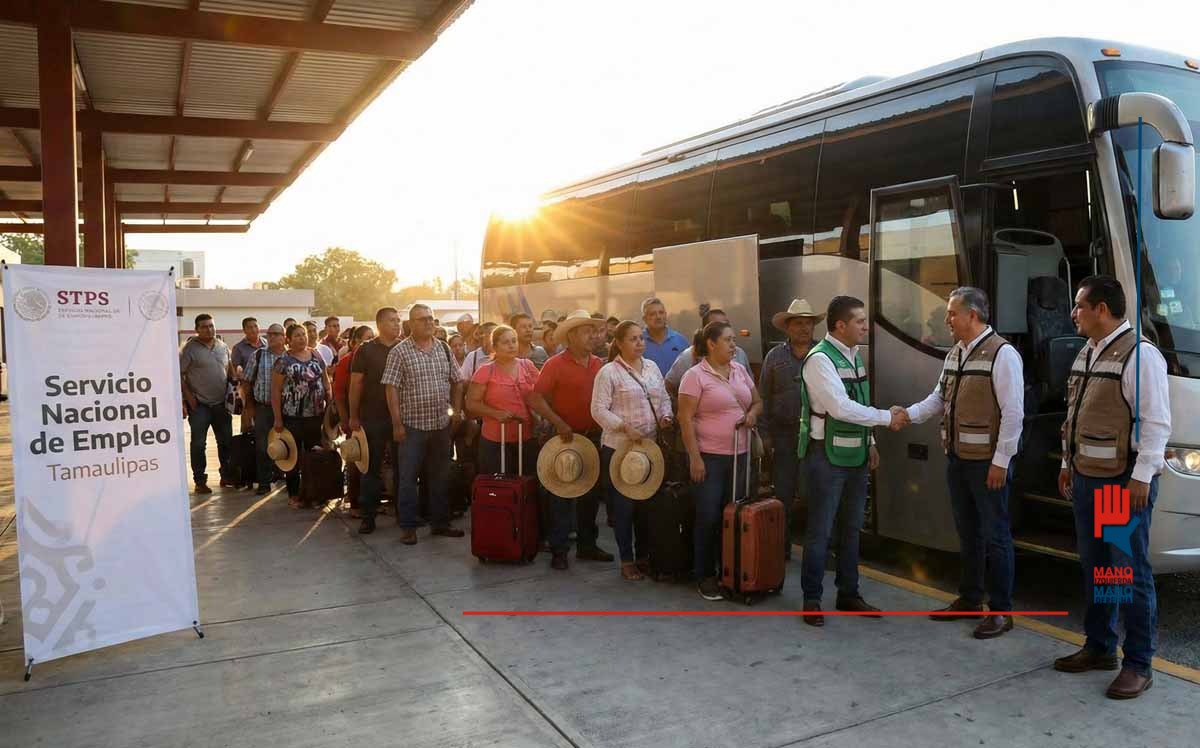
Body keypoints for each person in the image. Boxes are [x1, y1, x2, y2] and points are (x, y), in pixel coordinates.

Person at [1052, 275, 1170, 700]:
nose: (1073, 314)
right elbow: (1075, 413)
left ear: (1102, 309)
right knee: (1100, 566)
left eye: (1079, 306)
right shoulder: (1088, 351)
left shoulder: (1140, 355)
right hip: (1087, 477)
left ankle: (1138, 663)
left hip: (1120, 482)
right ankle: (1100, 646)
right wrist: (1067, 463)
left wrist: (1142, 476)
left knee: (1128, 571)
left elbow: (1156, 421)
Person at [898, 288, 1023, 639]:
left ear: (973, 315)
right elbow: (938, 398)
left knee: (996, 537)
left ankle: (1001, 612)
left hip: (987, 464)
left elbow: (1014, 414)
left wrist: (1001, 461)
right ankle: (970, 599)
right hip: (958, 460)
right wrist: (907, 415)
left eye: (952, 313)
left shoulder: (1003, 354)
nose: (947, 319)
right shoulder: (956, 352)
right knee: (969, 533)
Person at [799, 296, 901, 626]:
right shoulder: (819, 360)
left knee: (852, 529)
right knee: (821, 530)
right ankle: (812, 599)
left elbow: (861, 399)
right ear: (840, 325)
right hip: (826, 457)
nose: (865, 326)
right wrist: (886, 418)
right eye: (859, 321)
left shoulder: (854, 355)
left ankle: (848, 593)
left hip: (855, 455)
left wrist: (870, 442)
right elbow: (840, 407)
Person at [677, 320, 764, 601]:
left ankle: (732, 571)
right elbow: (685, 419)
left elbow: (757, 402)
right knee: (708, 517)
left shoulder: (739, 370)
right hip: (710, 458)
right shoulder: (694, 376)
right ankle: (705, 575)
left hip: (741, 456)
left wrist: (752, 414)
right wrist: (695, 458)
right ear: (711, 344)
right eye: (728, 340)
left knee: (734, 516)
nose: (733, 345)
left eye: (734, 339)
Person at [526, 310, 615, 569]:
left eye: (593, 331)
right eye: (587, 332)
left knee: (590, 495)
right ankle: (559, 549)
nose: (593, 336)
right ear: (572, 336)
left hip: (593, 437)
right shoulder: (555, 364)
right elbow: (535, 398)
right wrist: (558, 422)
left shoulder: (599, 364)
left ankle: (587, 545)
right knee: (561, 495)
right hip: (564, 438)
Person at [591, 320, 673, 581]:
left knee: (647, 507)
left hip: (649, 449)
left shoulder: (652, 367)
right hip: (620, 449)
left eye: (641, 338)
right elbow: (598, 410)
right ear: (619, 343)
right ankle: (627, 560)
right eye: (633, 339)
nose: (639, 343)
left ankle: (643, 556)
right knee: (624, 508)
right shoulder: (609, 372)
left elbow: (663, 398)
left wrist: (666, 416)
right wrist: (624, 427)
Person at [382, 304, 466, 545]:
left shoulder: (444, 348)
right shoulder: (399, 351)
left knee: (440, 476)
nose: (429, 322)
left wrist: (456, 411)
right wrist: (397, 424)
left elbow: (458, 381)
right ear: (411, 324)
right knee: (408, 479)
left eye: (431, 318)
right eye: (423, 319)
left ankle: (440, 523)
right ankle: (408, 527)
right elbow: (391, 389)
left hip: (440, 425)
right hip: (412, 427)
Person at [758, 299, 823, 560]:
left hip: (816, 436)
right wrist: (764, 435)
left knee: (814, 494)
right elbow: (763, 397)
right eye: (798, 323)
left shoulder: (824, 354)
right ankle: (781, 549)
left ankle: (816, 551)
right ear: (788, 327)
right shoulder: (774, 357)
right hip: (783, 436)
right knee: (783, 495)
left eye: (808, 323)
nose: (804, 328)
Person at [348, 307, 403, 534]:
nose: (397, 323)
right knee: (371, 470)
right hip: (373, 418)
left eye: (398, 320)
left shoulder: (405, 347)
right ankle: (368, 517)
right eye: (392, 320)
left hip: (401, 418)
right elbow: (356, 384)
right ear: (380, 324)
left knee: (403, 468)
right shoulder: (366, 350)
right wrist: (353, 416)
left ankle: (404, 514)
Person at [271, 324, 332, 508]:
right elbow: (275, 391)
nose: (302, 338)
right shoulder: (283, 361)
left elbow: (325, 380)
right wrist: (278, 418)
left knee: (315, 454)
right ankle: (294, 495)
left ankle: (314, 494)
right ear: (288, 339)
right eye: (297, 335)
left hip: (316, 415)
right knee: (293, 456)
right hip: (292, 417)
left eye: (303, 335)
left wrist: (329, 402)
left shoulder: (316, 355)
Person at [467, 325, 540, 477]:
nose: (511, 345)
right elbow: (471, 403)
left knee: (527, 482)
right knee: (500, 485)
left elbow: (540, 395)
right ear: (494, 346)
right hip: (495, 440)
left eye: (514, 341)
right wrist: (496, 413)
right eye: (506, 342)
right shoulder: (485, 371)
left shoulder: (527, 365)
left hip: (526, 437)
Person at [180, 313, 235, 493]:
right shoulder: (189, 349)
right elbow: (180, 374)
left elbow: (229, 370)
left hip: (222, 405)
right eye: (204, 327)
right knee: (198, 444)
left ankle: (226, 476)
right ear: (196, 329)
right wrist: (189, 398)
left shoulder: (223, 346)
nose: (209, 329)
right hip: (200, 406)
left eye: (211, 325)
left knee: (225, 442)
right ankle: (200, 481)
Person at [241, 323, 288, 495]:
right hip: (263, 408)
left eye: (276, 334)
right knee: (262, 446)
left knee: (287, 444)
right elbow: (246, 382)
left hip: (287, 410)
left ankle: (286, 478)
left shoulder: (290, 356)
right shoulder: (259, 355)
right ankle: (264, 482)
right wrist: (249, 407)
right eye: (269, 334)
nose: (272, 337)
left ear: (284, 337)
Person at [664, 308, 751, 398]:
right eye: (717, 326)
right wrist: (679, 402)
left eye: (726, 324)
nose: (723, 329)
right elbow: (669, 385)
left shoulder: (740, 354)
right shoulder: (689, 356)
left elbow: (751, 388)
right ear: (705, 331)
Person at [640, 297, 690, 376]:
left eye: (661, 313)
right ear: (644, 319)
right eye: (652, 314)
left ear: (666, 315)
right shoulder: (638, 342)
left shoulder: (680, 341)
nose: (658, 317)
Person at [230, 317, 267, 383]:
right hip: (249, 385)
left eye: (255, 326)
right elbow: (235, 370)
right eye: (250, 327)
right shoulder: (238, 348)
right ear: (244, 330)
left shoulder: (267, 344)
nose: (253, 330)